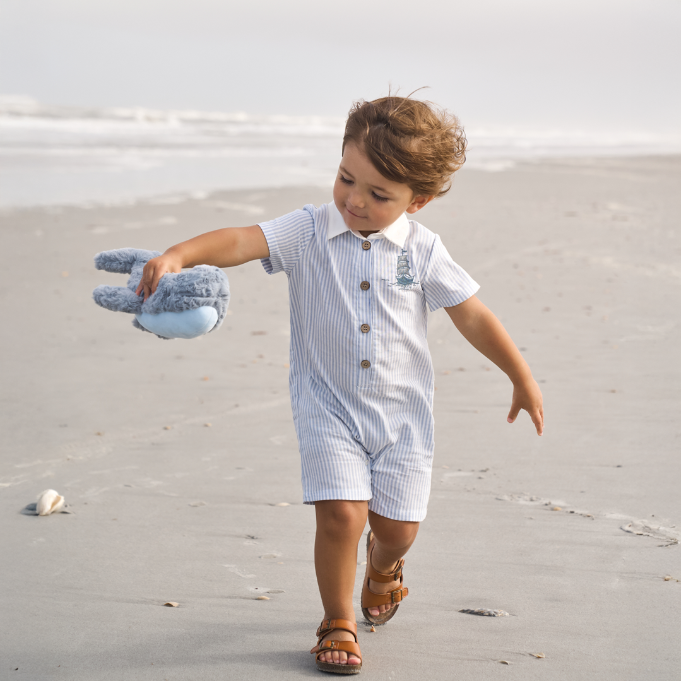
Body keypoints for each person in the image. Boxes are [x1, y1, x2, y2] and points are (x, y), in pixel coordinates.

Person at [137, 95, 544, 675]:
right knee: (341, 517)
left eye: (379, 195)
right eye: (346, 178)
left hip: (403, 415)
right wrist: (181, 252)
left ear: (417, 200)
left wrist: (520, 375)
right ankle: (338, 619)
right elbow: (240, 241)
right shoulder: (307, 229)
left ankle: (384, 568)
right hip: (326, 404)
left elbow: (470, 314)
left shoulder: (423, 251)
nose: (354, 200)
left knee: (397, 529)